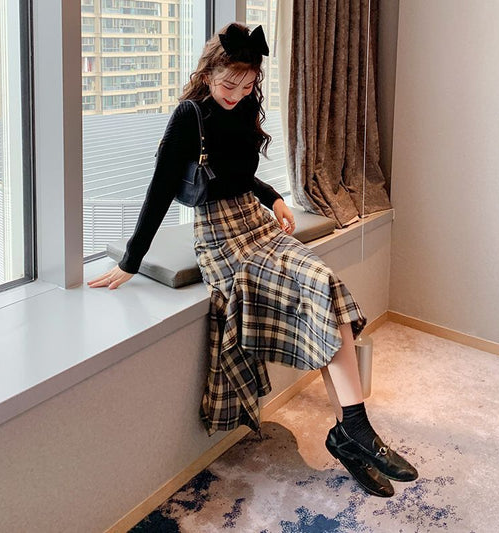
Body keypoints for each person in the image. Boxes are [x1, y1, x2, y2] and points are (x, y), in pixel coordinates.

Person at [88, 22, 418, 498]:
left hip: (256, 223)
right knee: (320, 286)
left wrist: (274, 197)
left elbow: (239, 173)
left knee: (323, 282)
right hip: (222, 240)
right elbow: (159, 189)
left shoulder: (243, 105)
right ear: (207, 73)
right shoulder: (189, 116)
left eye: (247, 87)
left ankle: (351, 430)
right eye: (229, 85)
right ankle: (354, 433)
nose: (237, 95)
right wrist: (130, 262)